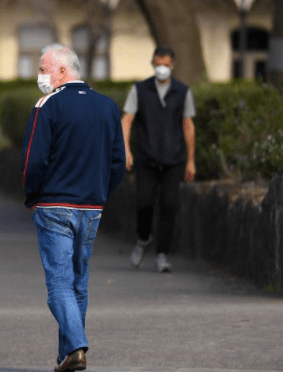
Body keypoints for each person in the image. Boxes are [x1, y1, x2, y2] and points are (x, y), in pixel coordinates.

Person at [21, 44, 126, 372]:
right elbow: (118, 162)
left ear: (63, 71)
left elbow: (33, 160)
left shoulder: (47, 104)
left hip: (54, 204)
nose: (40, 75)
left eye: (43, 68)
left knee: (59, 284)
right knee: (78, 282)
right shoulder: (108, 107)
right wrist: (101, 193)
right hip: (91, 206)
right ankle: (68, 356)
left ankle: (77, 345)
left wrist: (32, 196)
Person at [121, 45, 196, 273]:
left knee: (170, 205)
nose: (162, 68)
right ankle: (143, 238)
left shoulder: (183, 91)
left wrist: (191, 160)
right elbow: (127, 120)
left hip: (173, 159)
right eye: (158, 64)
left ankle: (162, 254)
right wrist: (126, 150)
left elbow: (188, 126)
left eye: (166, 64)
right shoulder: (140, 90)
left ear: (172, 65)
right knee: (144, 203)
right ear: (152, 63)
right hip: (146, 158)